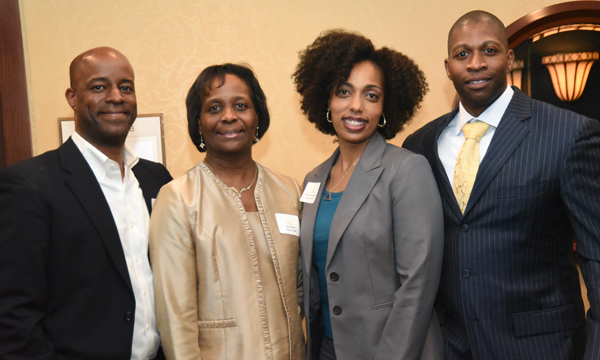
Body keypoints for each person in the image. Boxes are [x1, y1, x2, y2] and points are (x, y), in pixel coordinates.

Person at [403, 10, 600, 360]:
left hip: (543, 348)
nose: (475, 63)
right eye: (463, 54)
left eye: (489, 50)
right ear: (448, 66)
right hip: (450, 347)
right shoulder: (420, 145)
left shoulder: (568, 134)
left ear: (509, 58)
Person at [0, 47, 172, 359]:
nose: (116, 96)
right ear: (72, 97)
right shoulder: (29, 184)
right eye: (98, 86)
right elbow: (13, 313)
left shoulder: (156, 178)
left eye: (126, 87)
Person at [292, 29, 445, 360]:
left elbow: (417, 288)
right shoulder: (312, 180)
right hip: (327, 350)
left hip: (391, 350)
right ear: (326, 101)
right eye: (344, 92)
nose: (356, 106)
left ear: (385, 107)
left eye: (371, 95)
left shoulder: (407, 171)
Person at [149, 63, 304, 360]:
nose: (229, 116)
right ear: (198, 123)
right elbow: (174, 316)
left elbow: (300, 290)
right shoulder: (178, 199)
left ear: (257, 116)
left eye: (241, 105)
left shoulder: (289, 191)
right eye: (215, 107)